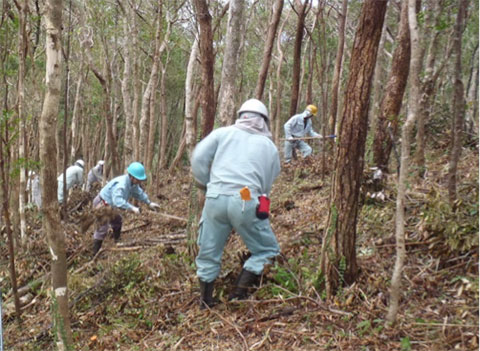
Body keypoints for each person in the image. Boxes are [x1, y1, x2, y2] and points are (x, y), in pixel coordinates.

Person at [191, 98, 281, 308]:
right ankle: (238, 293)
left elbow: (198, 157)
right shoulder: (269, 146)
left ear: (241, 115)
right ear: (264, 120)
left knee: (208, 250)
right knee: (267, 250)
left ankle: (206, 300)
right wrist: (262, 199)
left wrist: (206, 184)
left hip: (215, 197)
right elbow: (269, 179)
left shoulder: (223, 133)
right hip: (247, 198)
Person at [91, 162, 161, 256]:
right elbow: (117, 200)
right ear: (131, 176)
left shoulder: (132, 184)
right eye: (138, 179)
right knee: (102, 229)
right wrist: (132, 208)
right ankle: (94, 255)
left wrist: (149, 203)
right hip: (102, 204)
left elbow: (139, 193)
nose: (140, 181)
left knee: (117, 221)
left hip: (111, 206)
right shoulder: (122, 185)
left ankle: (117, 241)